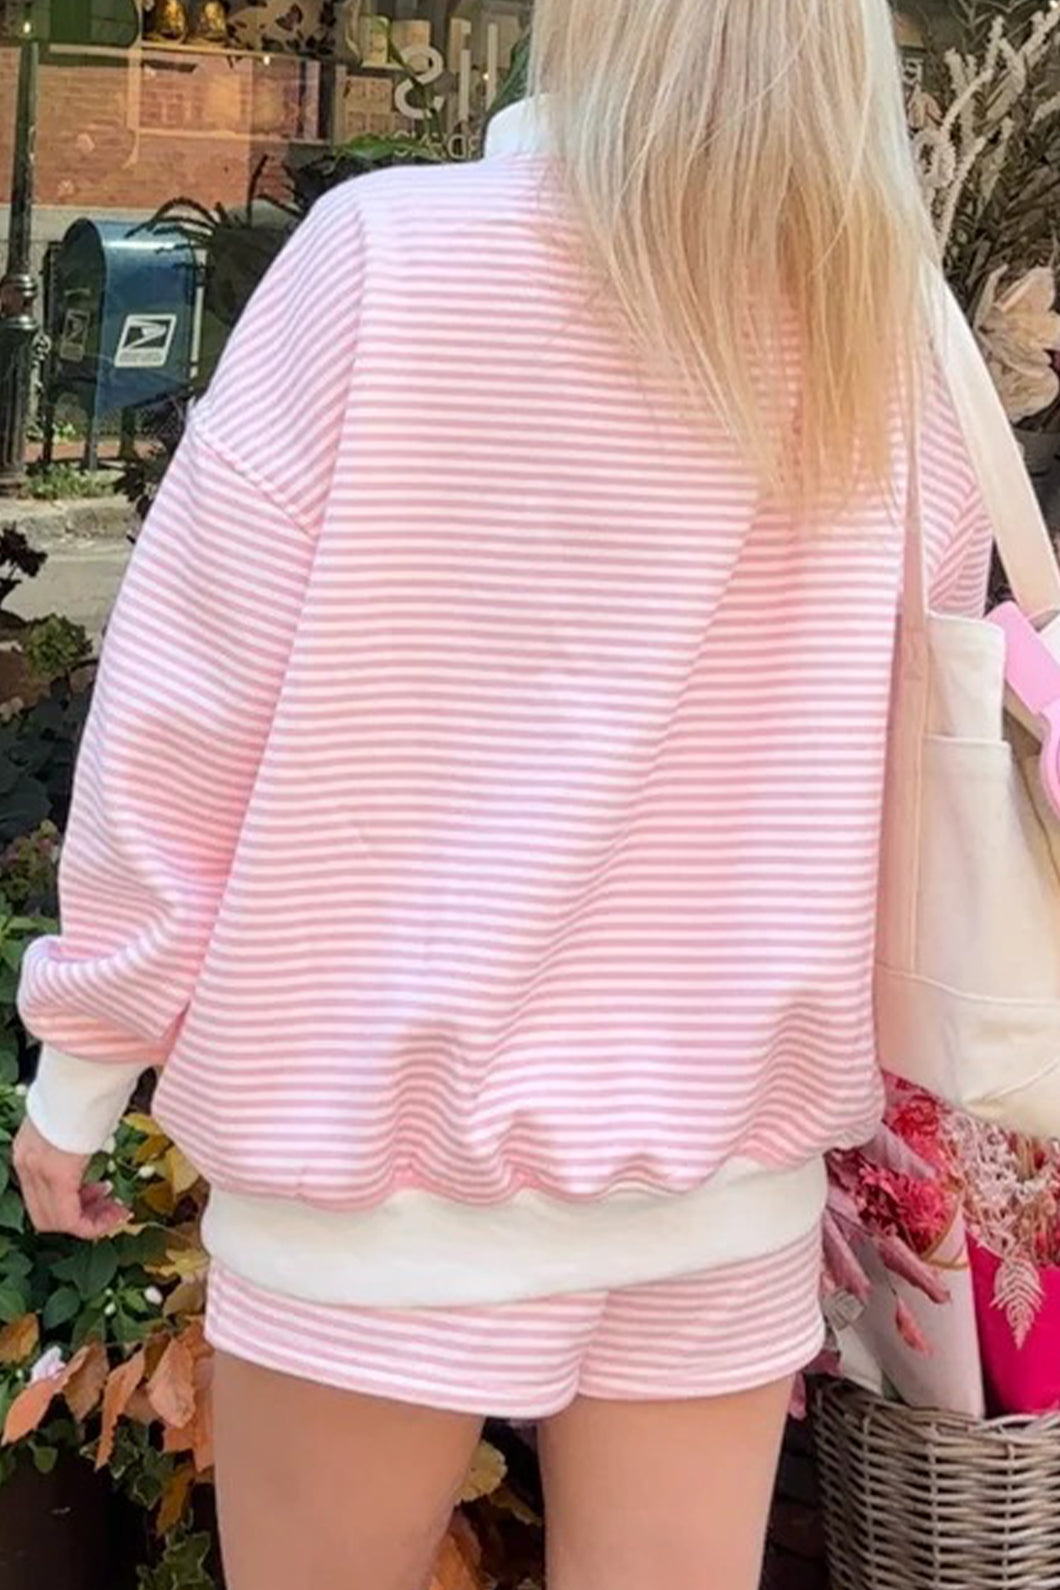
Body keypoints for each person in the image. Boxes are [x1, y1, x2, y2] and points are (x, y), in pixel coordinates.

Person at [13, 2, 994, 1586]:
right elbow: (906, 757)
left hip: (376, 1180)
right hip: (723, 1181)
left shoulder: (387, 260)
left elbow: (188, 707)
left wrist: (86, 1064)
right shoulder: (888, 328)